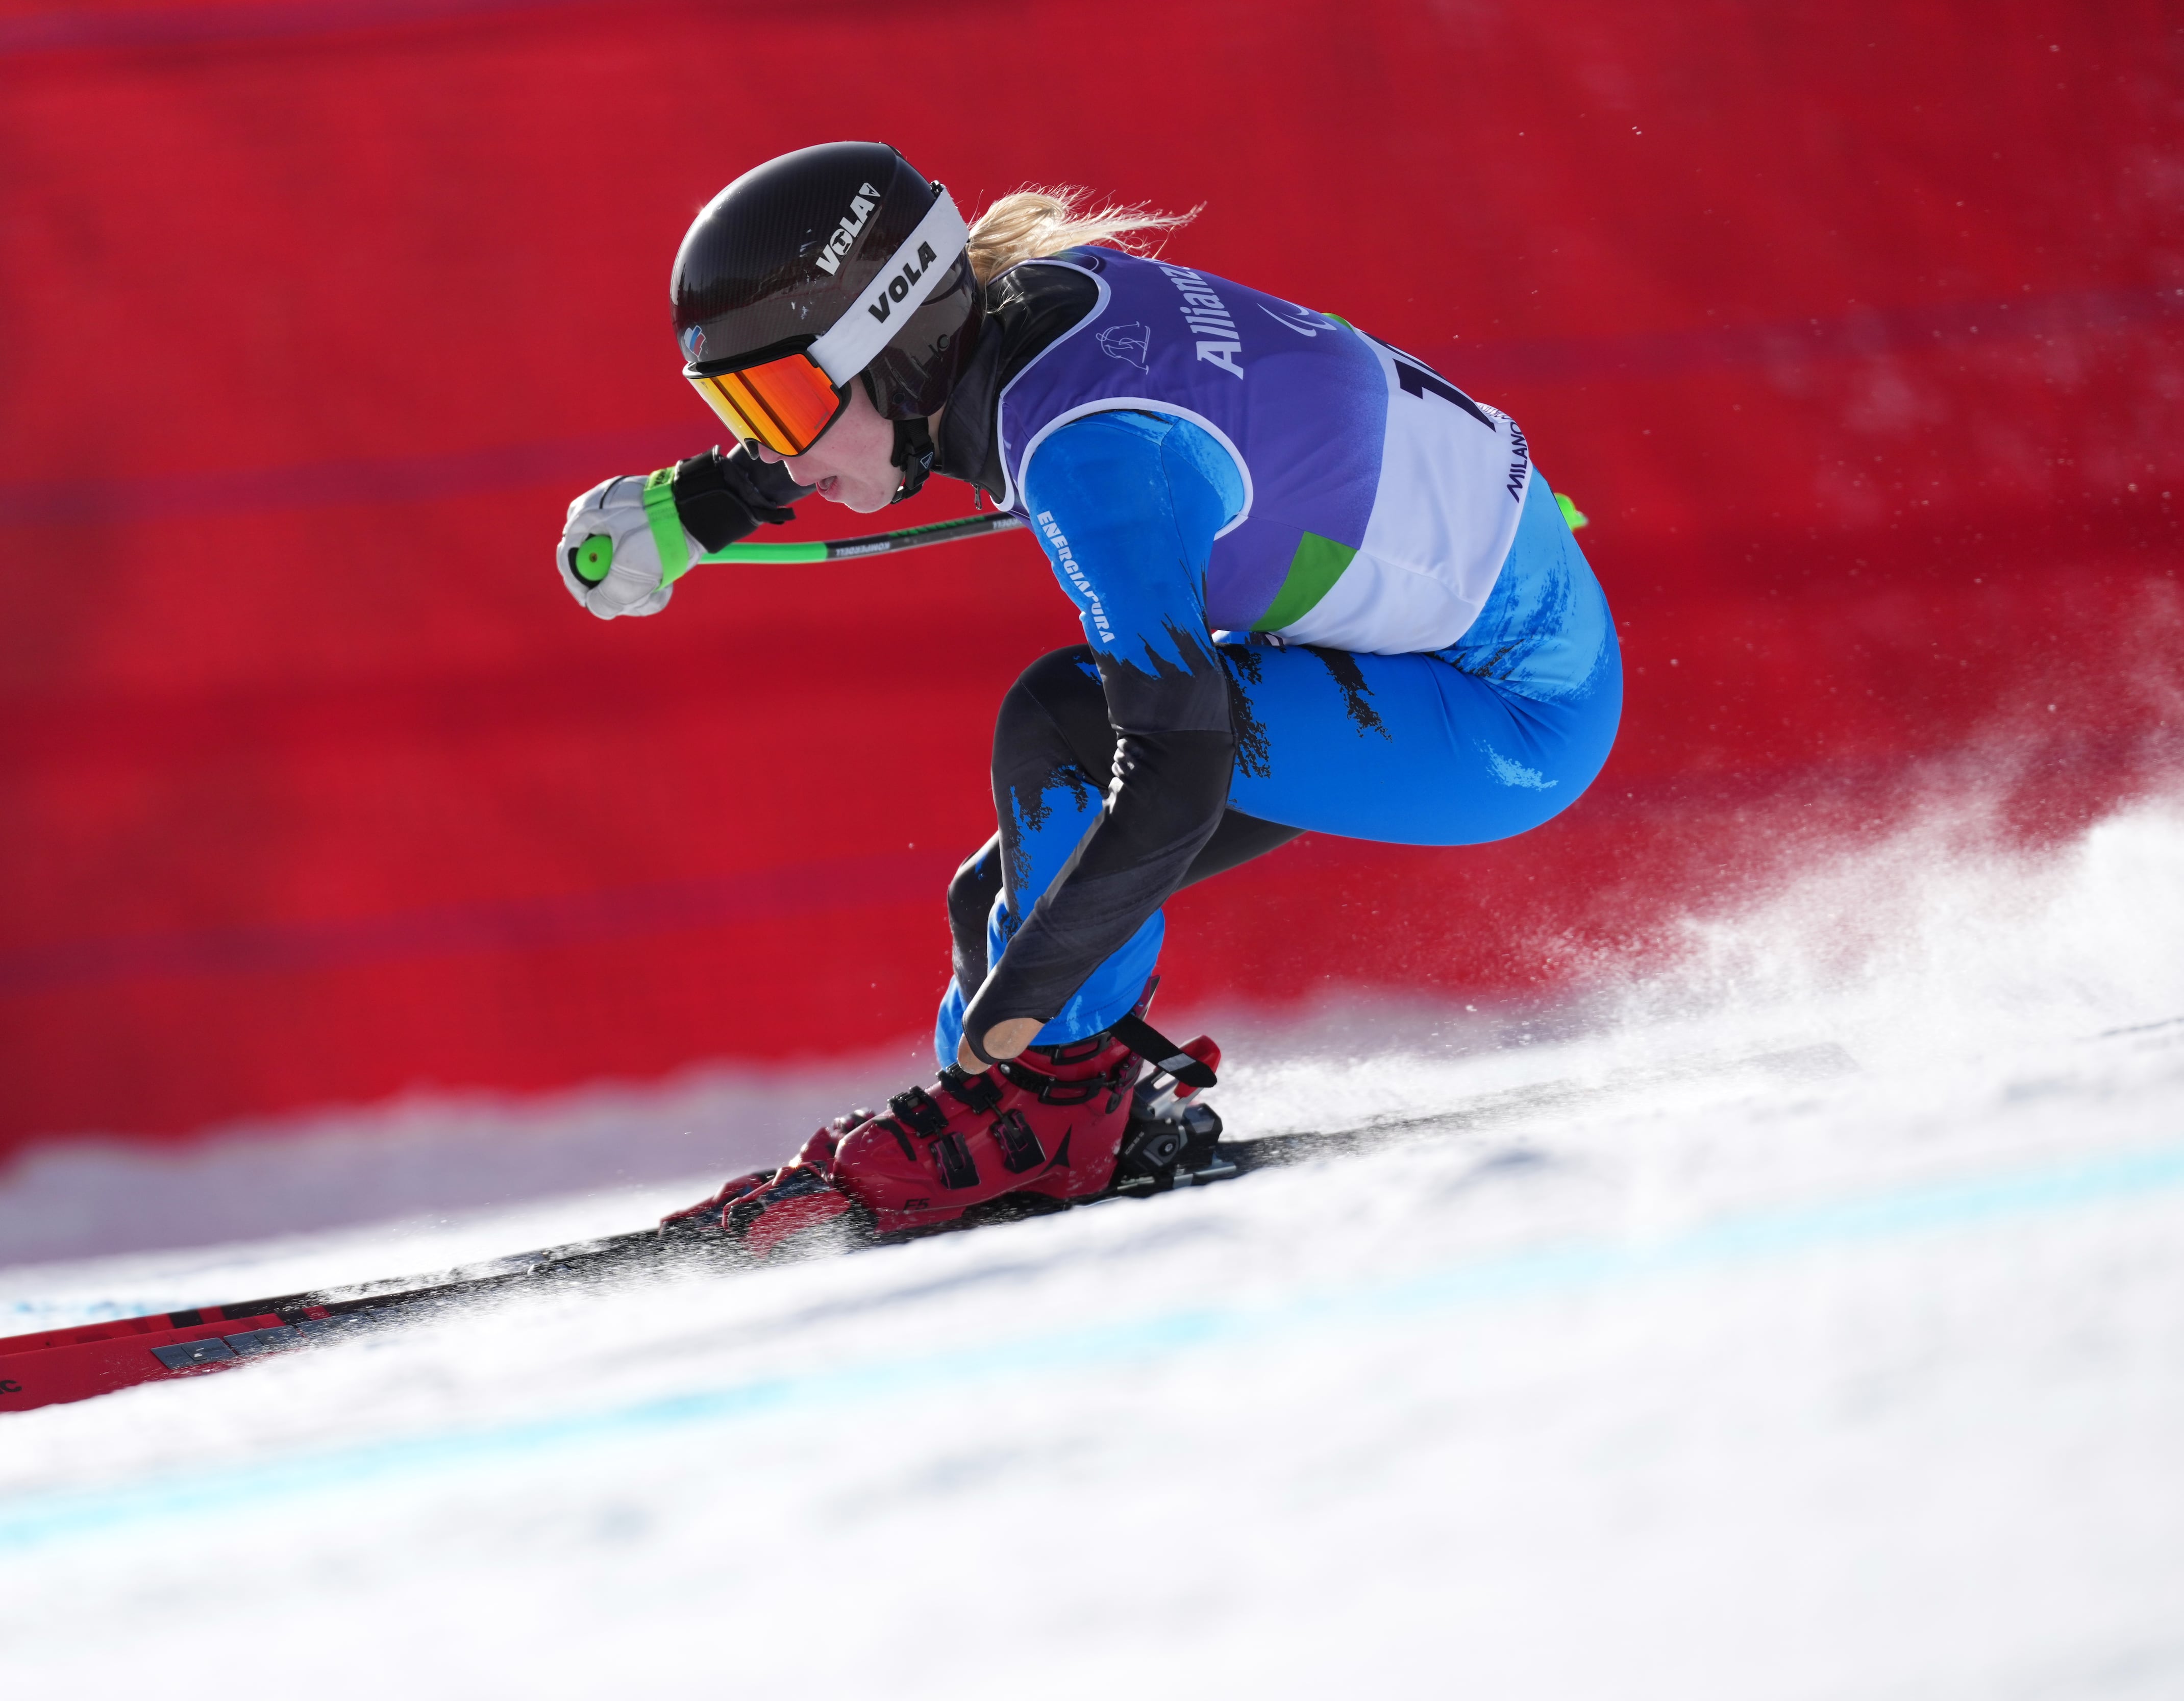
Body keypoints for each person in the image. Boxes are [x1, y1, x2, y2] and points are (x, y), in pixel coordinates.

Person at [555, 141, 1621, 1256]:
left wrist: (1012, 1025)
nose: (778, 448)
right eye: (743, 409)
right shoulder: (1027, 317)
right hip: (1466, 627)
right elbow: (863, 418)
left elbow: (1176, 773)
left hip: (1503, 711)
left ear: (895, 349)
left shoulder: (1093, 452)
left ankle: (1053, 1109)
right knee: (996, 893)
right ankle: (1023, 1107)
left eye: (776, 405)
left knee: (1059, 731)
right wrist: (697, 502)